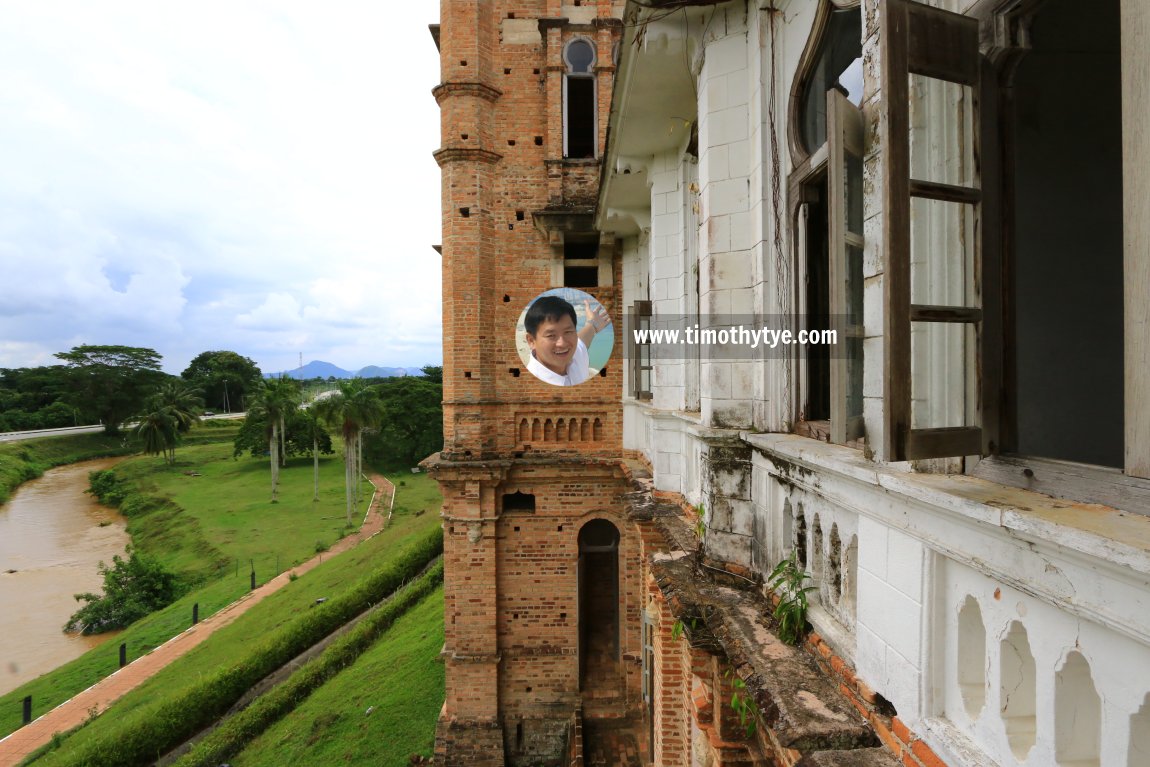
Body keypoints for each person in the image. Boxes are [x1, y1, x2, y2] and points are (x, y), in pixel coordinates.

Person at [524, 295, 611, 386]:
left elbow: (582, 340)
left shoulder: (574, 356)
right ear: (531, 341)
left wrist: (593, 324)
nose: (562, 343)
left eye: (568, 332)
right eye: (551, 335)